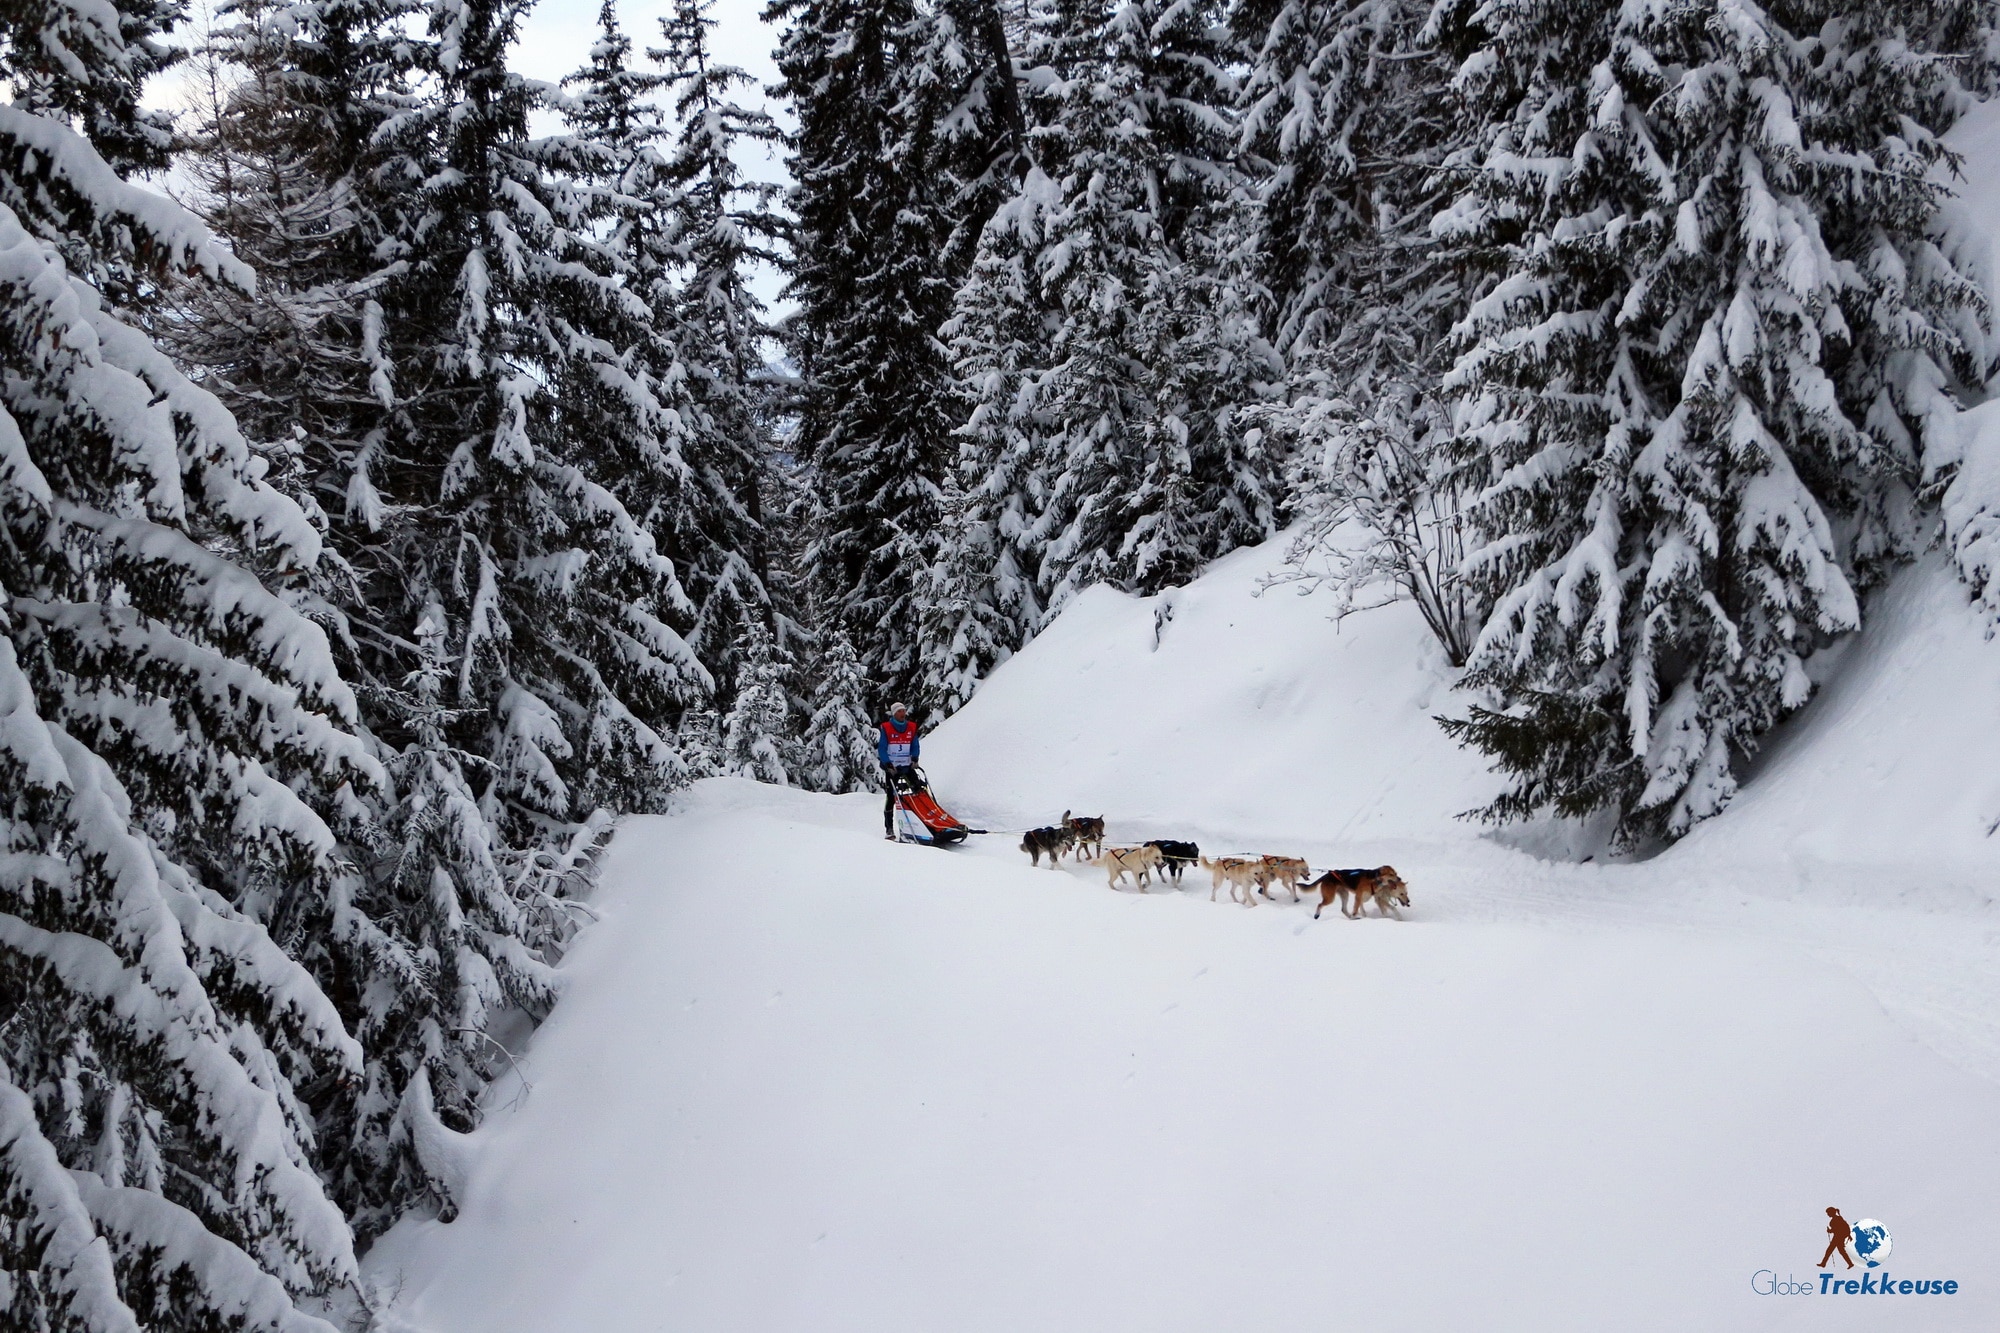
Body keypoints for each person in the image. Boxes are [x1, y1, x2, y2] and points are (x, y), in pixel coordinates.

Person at [878, 703, 919, 839]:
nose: (903, 713)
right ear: (894, 713)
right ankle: (889, 828)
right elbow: (882, 748)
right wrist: (887, 763)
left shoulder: (911, 727)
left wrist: (915, 757)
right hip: (893, 769)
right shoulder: (887, 728)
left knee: (919, 790)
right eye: (900, 711)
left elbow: (915, 744)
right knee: (891, 797)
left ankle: (923, 822)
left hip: (907, 766)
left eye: (904, 711)